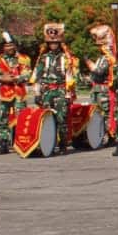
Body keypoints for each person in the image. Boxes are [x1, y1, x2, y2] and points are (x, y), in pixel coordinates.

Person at [32, 25, 78, 154]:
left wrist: (69, 94)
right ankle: (49, 144)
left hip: (61, 90)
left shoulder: (66, 58)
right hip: (46, 91)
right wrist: (37, 93)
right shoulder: (43, 57)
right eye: (51, 43)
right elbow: (37, 76)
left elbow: (71, 76)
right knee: (47, 118)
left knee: (61, 118)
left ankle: (63, 144)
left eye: (56, 42)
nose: (53, 45)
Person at [0, 36, 32, 154]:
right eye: (7, 46)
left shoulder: (23, 58)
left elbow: (27, 74)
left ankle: (19, 142)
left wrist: (16, 78)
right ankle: (3, 144)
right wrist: (2, 78)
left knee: (21, 118)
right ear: (3, 47)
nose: (9, 48)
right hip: (4, 92)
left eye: (11, 45)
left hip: (19, 93)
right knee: (2, 118)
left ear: (15, 45)